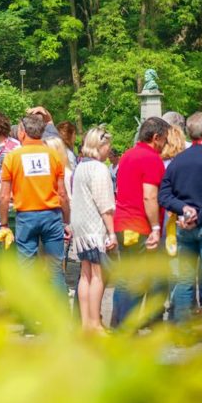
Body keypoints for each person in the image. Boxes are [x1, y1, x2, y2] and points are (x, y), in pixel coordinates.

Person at [159, 112, 202, 332]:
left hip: (184, 227)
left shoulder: (178, 161)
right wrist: (200, 214)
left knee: (185, 280)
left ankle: (182, 330)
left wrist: (184, 209)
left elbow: (164, 196)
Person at [0, 113, 71, 296]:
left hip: (26, 217)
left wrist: (4, 224)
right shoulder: (54, 156)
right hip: (52, 216)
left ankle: (31, 321)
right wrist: (67, 221)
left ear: (22, 131)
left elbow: (4, 196)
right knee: (55, 270)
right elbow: (62, 194)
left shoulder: (13, 157)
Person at [111, 117, 169, 328]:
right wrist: (155, 227)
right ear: (156, 137)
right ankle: (127, 328)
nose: (165, 145)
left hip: (122, 223)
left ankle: (118, 323)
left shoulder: (127, 155)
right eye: (164, 139)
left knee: (126, 277)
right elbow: (149, 196)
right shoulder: (151, 158)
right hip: (139, 225)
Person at [71, 128, 116, 331]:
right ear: (101, 146)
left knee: (85, 275)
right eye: (108, 146)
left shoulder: (80, 166)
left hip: (80, 227)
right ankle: (95, 324)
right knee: (98, 275)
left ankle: (84, 324)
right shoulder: (99, 168)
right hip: (94, 228)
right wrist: (112, 232)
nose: (110, 150)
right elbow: (105, 204)